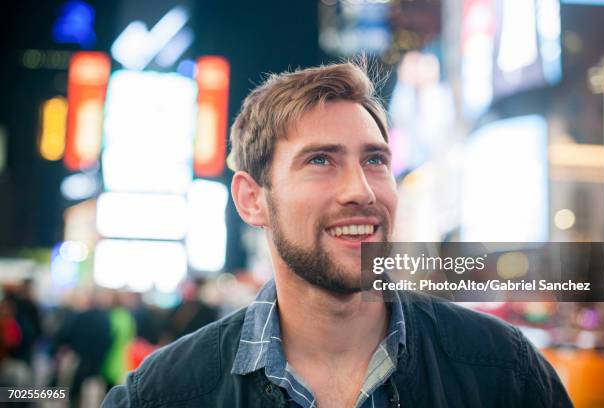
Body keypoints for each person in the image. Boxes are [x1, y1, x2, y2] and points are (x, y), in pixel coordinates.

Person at [102, 61, 572, 407]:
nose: (361, 190)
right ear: (252, 199)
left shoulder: (504, 371)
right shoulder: (164, 395)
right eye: (320, 160)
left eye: (375, 160)